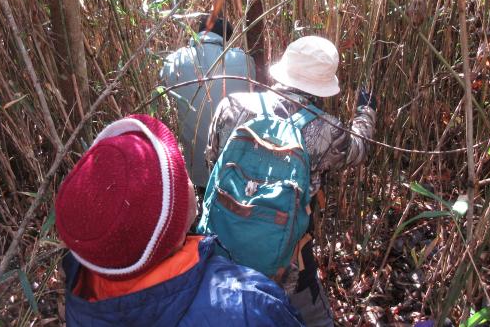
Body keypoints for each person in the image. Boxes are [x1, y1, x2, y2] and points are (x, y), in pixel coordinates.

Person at [55, 114, 304, 326]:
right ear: (170, 228)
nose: (188, 179)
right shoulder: (248, 304)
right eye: (180, 173)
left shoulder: (81, 286)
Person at [205, 35, 377, 327]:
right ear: (323, 85)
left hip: (224, 247)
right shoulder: (326, 129)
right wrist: (366, 111)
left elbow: (214, 161)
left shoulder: (231, 105)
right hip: (288, 258)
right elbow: (359, 150)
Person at [161, 17, 255, 190]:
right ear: (226, 38)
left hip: (194, 169)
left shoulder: (174, 61)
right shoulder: (244, 61)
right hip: (233, 168)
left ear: (199, 32)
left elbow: (163, 86)